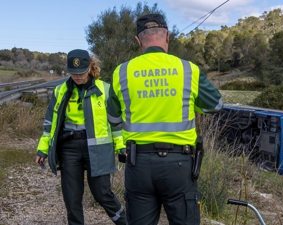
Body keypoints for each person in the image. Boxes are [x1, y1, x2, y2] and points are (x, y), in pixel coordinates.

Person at [107, 14, 223, 225]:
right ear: (167, 36)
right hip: (179, 165)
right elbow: (215, 105)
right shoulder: (188, 69)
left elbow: (113, 118)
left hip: (138, 164)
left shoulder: (121, 72)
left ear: (138, 40)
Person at [35, 49, 127, 225]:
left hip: (98, 149)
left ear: (90, 68)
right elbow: (49, 124)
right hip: (69, 147)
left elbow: (116, 124)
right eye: (73, 73)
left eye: (82, 72)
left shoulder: (105, 90)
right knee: (72, 198)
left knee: (103, 194)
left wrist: (121, 146)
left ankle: (126, 222)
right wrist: (43, 148)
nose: (77, 76)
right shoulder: (60, 91)